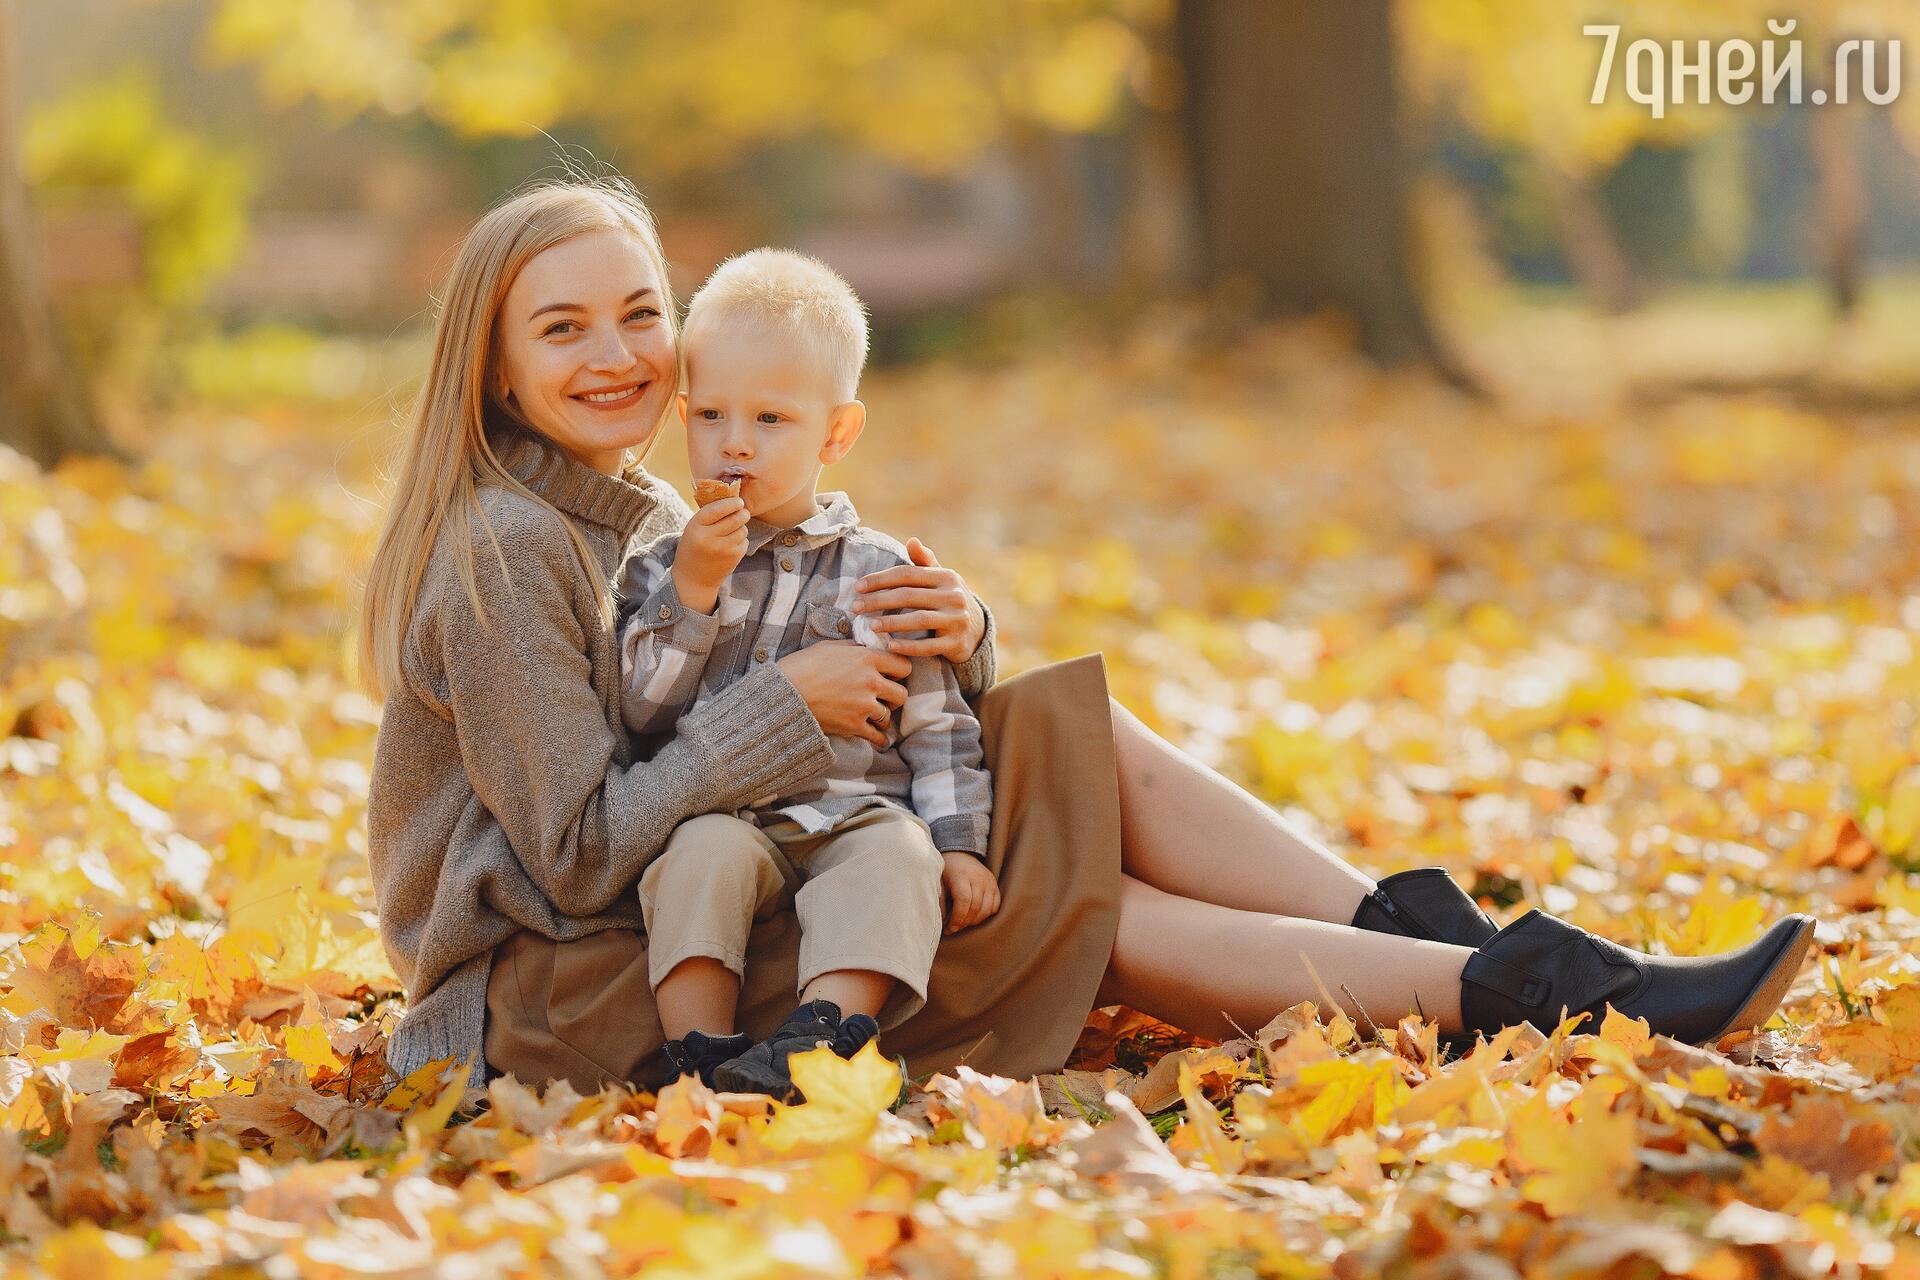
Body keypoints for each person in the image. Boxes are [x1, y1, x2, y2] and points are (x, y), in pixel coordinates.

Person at [362, 176, 1817, 1096]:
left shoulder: (639, 511)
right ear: (490, 371)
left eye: (637, 315)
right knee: (1088, 911)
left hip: (689, 902)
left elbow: (777, 697)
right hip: (552, 995)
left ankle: (1492, 960)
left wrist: (958, 638)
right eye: (561, 331)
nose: (615, 353)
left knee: (1059, 727)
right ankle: (1553, 995)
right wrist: (792, 703)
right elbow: (573, 853)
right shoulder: (504, 549)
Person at [615, 249, 996, 1099]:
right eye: (710, 415)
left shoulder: (879, 571)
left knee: (898, 856)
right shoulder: (661, 569)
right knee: (697, 857)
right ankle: (701, 1058)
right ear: (682, 416)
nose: (735, 443)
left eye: (772, 420)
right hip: (726, 808)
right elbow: (639, 712)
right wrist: (694, 596)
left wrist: (959, 843)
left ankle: (817, 1039)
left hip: (855, 809)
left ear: (836, 432)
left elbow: (936, 723)